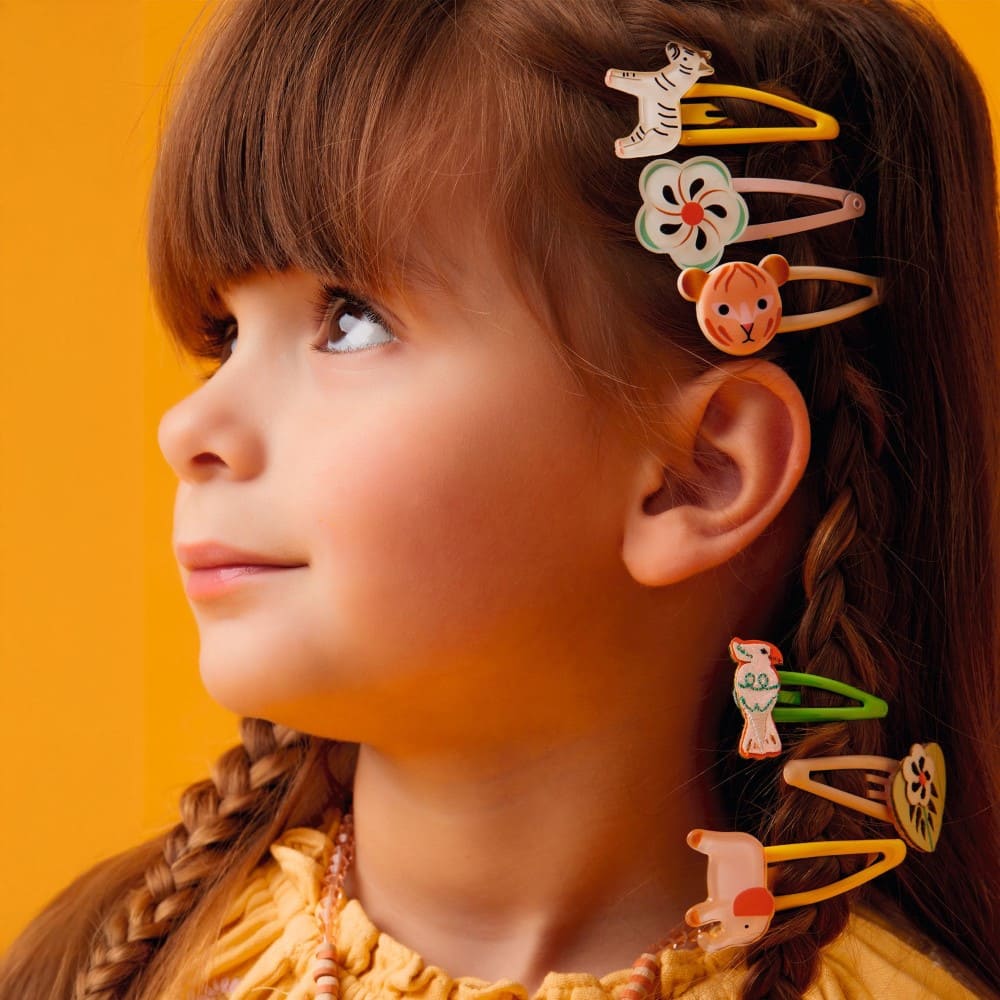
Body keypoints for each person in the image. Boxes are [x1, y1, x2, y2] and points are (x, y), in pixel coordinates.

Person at [2, 0, 998, 998]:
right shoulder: (95, 969)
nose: (189, 429)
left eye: (348, 321)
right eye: (223, 334)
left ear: (700, 471)